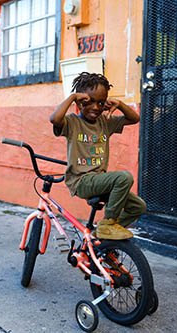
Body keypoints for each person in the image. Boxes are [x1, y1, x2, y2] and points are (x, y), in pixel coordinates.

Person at [50, 72, 146, 240]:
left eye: (101, 102)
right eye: (90, 101)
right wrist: (72, 97)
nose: (95, 107)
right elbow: (55, 119)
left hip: (99, 180)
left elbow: (134, 118)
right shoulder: (72, 122)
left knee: (138, 207)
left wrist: (120, 104)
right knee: (123, 177)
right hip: (81, 181)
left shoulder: (105, 122)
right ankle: (107, 225)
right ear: (80, 102)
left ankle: (102, 237)